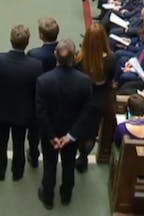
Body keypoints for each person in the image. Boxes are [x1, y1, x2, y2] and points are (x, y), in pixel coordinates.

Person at [0, 24, 42, 181]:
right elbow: (37, 91)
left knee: (0, 142)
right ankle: (17, 173)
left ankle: (0, 172)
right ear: (27, 42)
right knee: (19, 143)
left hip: (0, 109)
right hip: (23, 112)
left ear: (10, 40)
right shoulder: (35, 65)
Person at [35, 39, 92, 209]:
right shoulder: (84, 81)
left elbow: (41, 112)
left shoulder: (43, 80)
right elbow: (86, 112)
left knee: (49, 165)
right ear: (74, 57)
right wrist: (70, 136)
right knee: (68, 165)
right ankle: (66, 196)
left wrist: (52, 136)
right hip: (71, 134)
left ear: (55, 56)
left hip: (50, 133)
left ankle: (48, 197)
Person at [75, 23, 117, 172]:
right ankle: (84, 156)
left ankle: (79, 151)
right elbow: (111, 79)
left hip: (81, 99)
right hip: (99, 100)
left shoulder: (79, 59)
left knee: (79, 129)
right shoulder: (111, 59)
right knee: (91, 133)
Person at [26, 17, 60, 168]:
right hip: (58, 97)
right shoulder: (64, 50)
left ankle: (33, 155)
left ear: (40, 35)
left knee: (34, 131)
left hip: (37, 97)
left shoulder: (33, 54)